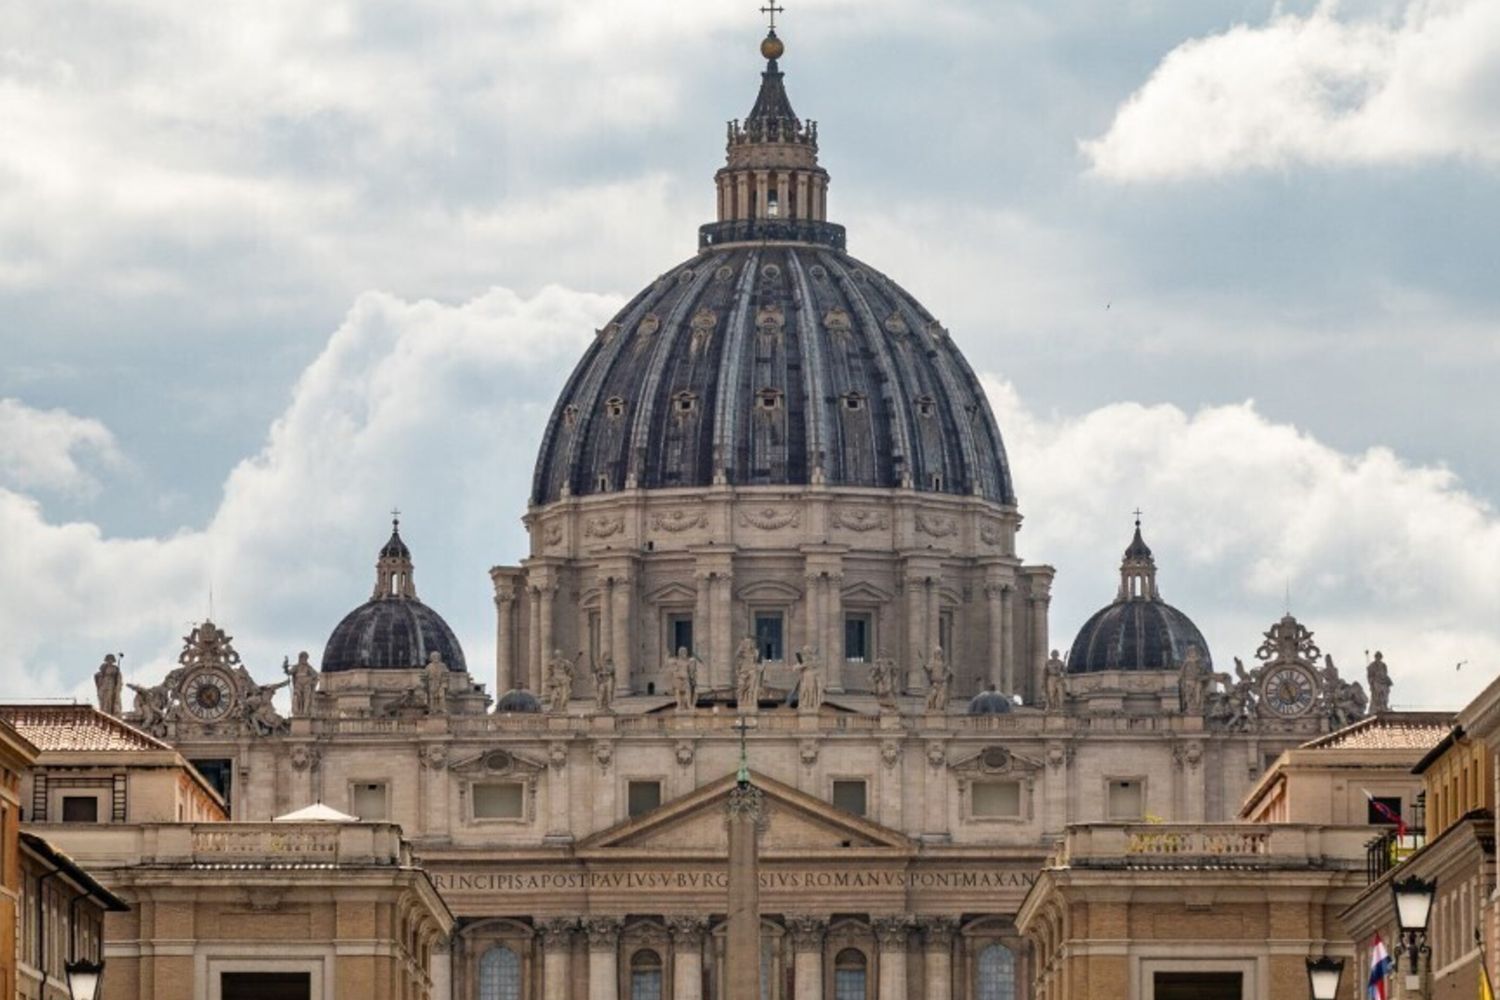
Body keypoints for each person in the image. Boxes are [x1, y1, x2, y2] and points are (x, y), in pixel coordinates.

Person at [284, 651, 318, 717]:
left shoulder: (308, 667)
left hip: (306, 684)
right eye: (302, 658)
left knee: (306, 697)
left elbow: (315, 675)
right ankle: (298, 711)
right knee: (297, 697)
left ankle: (305, 712)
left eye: (305, 658)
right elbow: (289, 672)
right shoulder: (296, 667)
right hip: (298, 684)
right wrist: (285, 667)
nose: (304, 659)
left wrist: (310, 679)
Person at [734, 637, 762, 712]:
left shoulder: (755, 652)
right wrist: (740, 646)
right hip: (743, 671)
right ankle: (741, 699)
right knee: (741, 686)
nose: (747, 644)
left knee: (751, 687)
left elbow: (757, 661)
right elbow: (736, 656)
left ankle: (750, 701)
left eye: (748, 643)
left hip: (752, 670)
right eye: (746, 643)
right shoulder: (741, 652)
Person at [793, 646, 824, 713]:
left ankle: (809, 705)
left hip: (811, 677)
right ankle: (804, 704)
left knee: (810, 691)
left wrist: (800, 666)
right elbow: (797, 667)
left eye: (806, 651)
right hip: (805, 677)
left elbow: (816, 666)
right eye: (804, 652)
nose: (805, 653)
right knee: (803, 691)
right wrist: (798, 666)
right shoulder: (804, 659)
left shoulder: (812, 659)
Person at [923, 645, 952, 712]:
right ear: (935, 654)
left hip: (941, 683)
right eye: (937, 653)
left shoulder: (943, 663)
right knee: (933, 694)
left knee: (942, 698)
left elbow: (949, 671)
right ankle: (932, 708)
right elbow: (928, 669)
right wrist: (924, 666)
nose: (938, 654)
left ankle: (939, 709)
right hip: (934, 683)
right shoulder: (932, 662)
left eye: (939, 653)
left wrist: (945, 677)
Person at [669, 647, 699, 711]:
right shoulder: (676, 661)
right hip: (678, 679)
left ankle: (688, 705)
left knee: (688, 691)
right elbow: (674, 670)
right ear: (680, 653)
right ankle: (679, 705)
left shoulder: (687, 662)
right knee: (677, 692)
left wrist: (693, 677)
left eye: (685, 652)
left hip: (685, 679)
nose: (684, 653)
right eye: (682, 652)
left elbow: (691, 671)